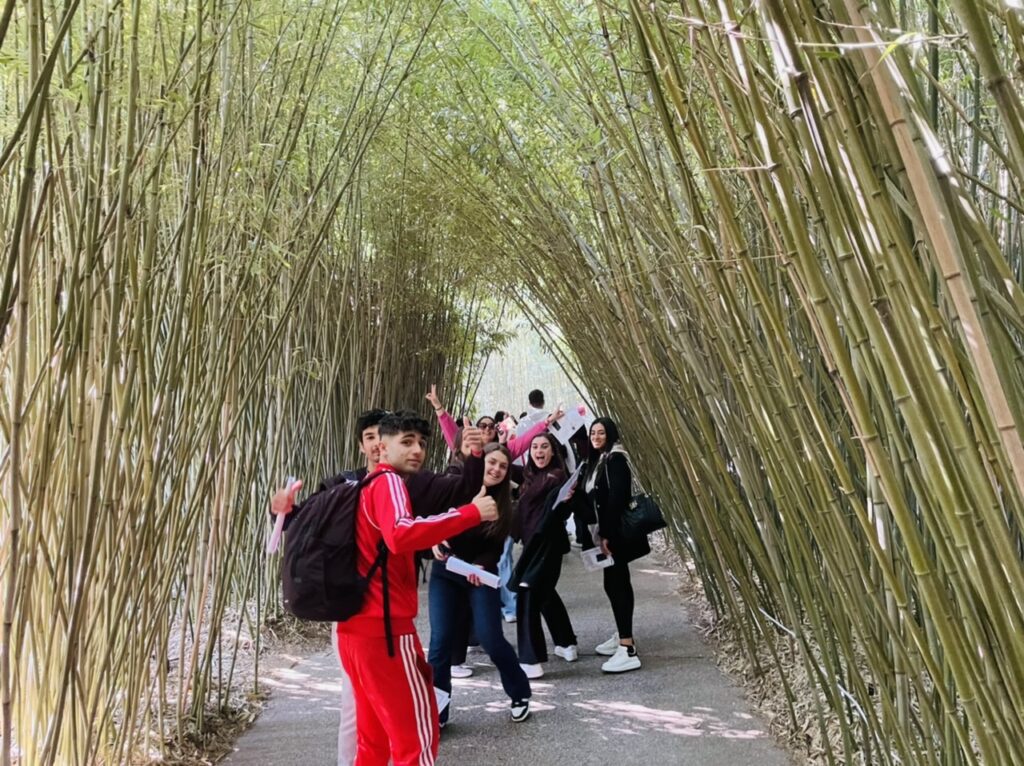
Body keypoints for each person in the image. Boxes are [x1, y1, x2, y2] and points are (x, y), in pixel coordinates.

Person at [271, 410, 493, 766]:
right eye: (406, 442)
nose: (417, 450)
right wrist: (472, 513)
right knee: (416, 742)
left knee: (372, 743)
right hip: (385, 634)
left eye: (421, 443)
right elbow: (401, 535)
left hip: (354, 633)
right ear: (379, 449)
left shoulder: (359, 489)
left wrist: (473, 460)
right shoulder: (388, 483)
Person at [427, 443, 532, 725]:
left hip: (478, 575)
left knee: (491, 638)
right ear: (480, 462)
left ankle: (520, 693)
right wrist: (435, 540)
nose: (496, 469)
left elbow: (496, 546)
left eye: (502, 466)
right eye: (491, 462)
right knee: (439, 642)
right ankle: (438, 710)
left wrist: (480, 565)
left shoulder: (505, 504)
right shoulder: (455, 487)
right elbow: (432, 522)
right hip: (446, 571)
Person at [576, 417, 647, 674]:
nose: (596, 436)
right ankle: (622, 633)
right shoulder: (598, 460)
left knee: (618, 584)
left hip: (614, 535)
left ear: (611, 434)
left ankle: (627, 648)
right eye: (593, 432)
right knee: (613, 583)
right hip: (604, 534)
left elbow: (617, 498)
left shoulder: (616, 460)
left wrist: (606, 534)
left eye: (601, 433)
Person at [512, 433, 578, 679]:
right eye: (534, 447)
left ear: (553, 452)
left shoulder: (557, 477)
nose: (539, 451)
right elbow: (506, 465)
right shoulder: (530, 476)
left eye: (544, 447)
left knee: (527, 593)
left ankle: (531, 659)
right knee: (546, 594)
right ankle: (566, 643)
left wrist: (565, 501)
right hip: (534, 544)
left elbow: (562, 510)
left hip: (546, 545)